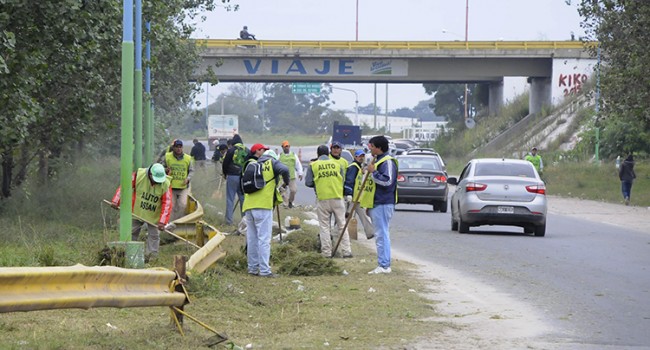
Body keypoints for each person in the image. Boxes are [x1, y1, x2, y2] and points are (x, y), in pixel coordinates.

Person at [243, 143, 290, 277]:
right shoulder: (272, 163)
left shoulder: (253, 164)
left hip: (249, 206)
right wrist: (285, 184)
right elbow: (285, 170)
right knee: (264, 239)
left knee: (252, 238)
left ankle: (252, 268)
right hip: (263, 206)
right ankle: (264, 270)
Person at [110, 163, 172, 259]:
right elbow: (125, 186)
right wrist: (116, 201)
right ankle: (127, 255)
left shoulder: (166, 184)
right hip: (137, 211)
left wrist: (162, 222)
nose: (157, 182)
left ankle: (151, 258)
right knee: (131, 232)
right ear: (150, 175)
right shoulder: (138, 175)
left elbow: (167, 203)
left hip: (153, 215)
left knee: (154, 236)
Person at [305, 145, 353, 259]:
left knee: (325, 226)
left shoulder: (313, 165)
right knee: (342, 225)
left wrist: (319, 183)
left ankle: (326, 252)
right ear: (328, 154)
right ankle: (347, 251)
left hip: (323, 199)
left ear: (317, 155)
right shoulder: (338, 164)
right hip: (337, 197)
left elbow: (308, 182)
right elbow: (342, 180)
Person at [366, 135, 398, 274]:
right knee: (380, 234)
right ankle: (383, 263)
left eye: (372, 146)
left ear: (379, 148)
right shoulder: (378, 160)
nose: (370, 148)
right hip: (376, 202)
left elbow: (387, 181)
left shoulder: (387, 162)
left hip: (384, 203)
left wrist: (374, 173)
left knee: (382, 234)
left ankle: (384, 265)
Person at [344, 149, 375, 240]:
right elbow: (349, 181)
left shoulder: (360, 167)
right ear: (355, 157)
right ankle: (337, 232)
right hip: (352, 197)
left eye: (362, 156)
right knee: (347, 216)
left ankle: (370, 232)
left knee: (363, 215)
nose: (361, 158)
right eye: (359, 156)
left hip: (358, 197)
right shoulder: (353, 167)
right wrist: (349, 194)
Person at [161, 139, 194, 221]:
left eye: (180, 147)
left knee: (182, 205)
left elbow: (191, 170)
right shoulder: (167, 156)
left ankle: (179, 221)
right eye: (177, 147)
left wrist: (188, 178)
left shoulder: (188, 158)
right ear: (173, 148)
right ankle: (170, 223)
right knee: (171, 206)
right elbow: (161, 167)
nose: (179, 149)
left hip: (183, 186)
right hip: (170, 186)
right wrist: (165, 170)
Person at [222, 134, 246, 225]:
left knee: (230, 198)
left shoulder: (231, 150)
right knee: (243, 198)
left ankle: (229, 221)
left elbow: (225, 163)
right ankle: (245, 220)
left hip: (232, 176)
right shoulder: (246, 150)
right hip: (243, 177)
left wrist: (225, 174)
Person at [278, 140, 303, 208]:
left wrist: (300, 173)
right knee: (283, 191)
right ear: (282, 147)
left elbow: (298, 164)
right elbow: (276, 165)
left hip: (291, 177)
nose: (286, 148)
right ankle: (286, 204)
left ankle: (290, 201)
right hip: (282, 177)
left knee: (293, 190)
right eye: (285, 146)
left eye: (287, 146)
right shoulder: (280, 155)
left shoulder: (293, 155)